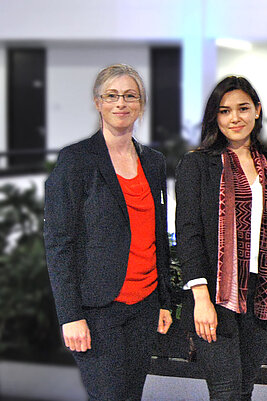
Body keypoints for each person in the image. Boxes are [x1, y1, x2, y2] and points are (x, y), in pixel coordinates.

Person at [44, 63, 173, 400]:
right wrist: (70, 316)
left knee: (131, 395)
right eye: (112, 96)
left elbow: (158, 235)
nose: (121, 103)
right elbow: (59, 243)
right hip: (99, 309)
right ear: (97, 102)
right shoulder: (75, 161)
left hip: (144, 305)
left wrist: (163, 300)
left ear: (141, 104)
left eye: (130, 96)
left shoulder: (154, 162)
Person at [175, 76, 267, 400]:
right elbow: (189, 232)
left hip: (263, 293)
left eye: (242, 108)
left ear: (257, 110)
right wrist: (201, 297)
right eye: (225, 111)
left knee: (243, 390)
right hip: (215, 294)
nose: (235, 118)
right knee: (226, 391)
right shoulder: (197, 164)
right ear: (215, 117)